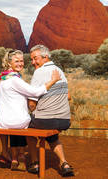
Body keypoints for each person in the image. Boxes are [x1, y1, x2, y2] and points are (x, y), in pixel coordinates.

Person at [0, 49, 61, 171]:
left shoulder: (3, 78)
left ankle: (15, 157)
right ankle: (22, 156)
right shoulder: (15, 80)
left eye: (21, 61)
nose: (20, 63)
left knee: (17, 121)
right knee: (26, 122)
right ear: (9, 63)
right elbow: (35, 92)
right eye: (16, 61)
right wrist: (53, 80)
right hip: (15, 121)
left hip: (2, 121)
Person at [26, 45, 74, 177]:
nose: (33, 62)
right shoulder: (59, 70)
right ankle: (64, 163)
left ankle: (35, 163)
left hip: (46, 120)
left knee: (27, 128)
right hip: (64, 120)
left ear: (45, 57)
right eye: (32, 59)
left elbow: (32, 102)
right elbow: (68, 96)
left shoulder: (39, 72)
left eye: (35, 58)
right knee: (52, 134)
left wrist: (29, 111)